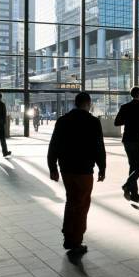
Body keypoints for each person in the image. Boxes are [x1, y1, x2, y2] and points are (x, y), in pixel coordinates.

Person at [48, 92, 106, 255]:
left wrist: (52, 167)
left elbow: (54, 145)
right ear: (88, 104)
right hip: (84, 170)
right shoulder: (93, 122)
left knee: (72, 201)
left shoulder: (62, 121)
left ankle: (68, 236)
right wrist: (102, 167)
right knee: (81, 205)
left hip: (66, 168)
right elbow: (98, 147)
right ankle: (76, 240)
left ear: (75, 103)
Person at [114, 86, 139, 202]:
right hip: (138, 140)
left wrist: (128, 119)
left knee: (132, 165)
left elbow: (117, 122)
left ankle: (134, 194)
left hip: (127, 140)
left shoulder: (124, 107)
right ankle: (127, 185)